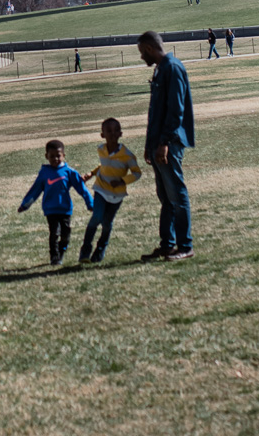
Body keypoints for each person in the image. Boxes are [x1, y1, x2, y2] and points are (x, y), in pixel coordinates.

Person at [137, 30, 194, 262]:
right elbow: (156, 112)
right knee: (166, 197)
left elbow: (175, 110)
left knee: (176, 195)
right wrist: (150, 145)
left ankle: (185, 246)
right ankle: (168, 245)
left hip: (169, 144)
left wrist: (163, 143)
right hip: (158, 144)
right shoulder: (160, 68)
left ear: (150, 48)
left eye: (142, 52)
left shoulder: (172, 67)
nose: (141, 57)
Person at [18, 139, 93, 266]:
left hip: (65, 209)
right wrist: (25, 204)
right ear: (46, 156)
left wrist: (90, 203)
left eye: (58, 156)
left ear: (64, 155)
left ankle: (61, 253)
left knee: (66, 235)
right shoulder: (44, 173)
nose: (55, 159)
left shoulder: (69, 172)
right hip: (50, 209)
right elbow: (35, 190)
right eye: (52, 156)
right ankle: (54, 257)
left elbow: (82, 188)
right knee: (54, 233)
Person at [79, 118, 141, 263]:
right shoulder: (101, 149)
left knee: (107, 223)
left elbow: (137, 173)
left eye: (115, 131)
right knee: (96, 217)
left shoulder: (127, 155)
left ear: (121, 133)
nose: (112, 134)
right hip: (101, 189)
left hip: (117, 195)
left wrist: (122, 181)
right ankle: (85, 251)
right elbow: (103, 165)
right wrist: (91, 174)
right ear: (102, 135)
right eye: (108, 131)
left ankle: (100, 251)